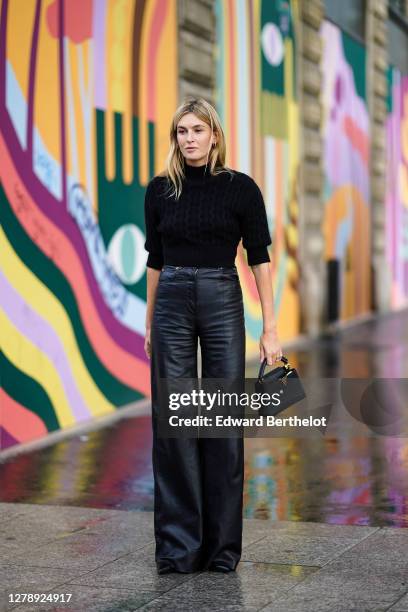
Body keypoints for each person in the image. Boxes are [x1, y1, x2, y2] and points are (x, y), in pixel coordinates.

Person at [143, 97, 282, 575]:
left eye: (198, 130)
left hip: (223, 297)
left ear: (215, 135)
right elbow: (155, 261)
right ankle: (180, 548)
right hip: (172, 301)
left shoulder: (241, 189)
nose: (189, 139)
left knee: (222, 424)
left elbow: (259, 259)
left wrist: (271, 327)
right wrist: (149, 322)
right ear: (175, 139)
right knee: (175, 424)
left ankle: (222, 550)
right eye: (182, 131)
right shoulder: (160, 190)